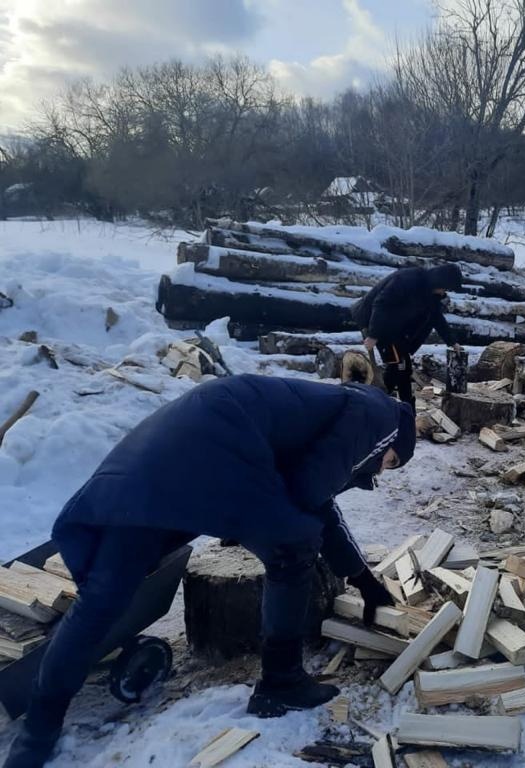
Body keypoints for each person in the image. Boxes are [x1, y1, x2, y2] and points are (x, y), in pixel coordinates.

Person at [4, 375, 414, 768]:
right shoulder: (378, 415)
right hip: (222, 439)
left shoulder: (329, 409)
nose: (379, 472)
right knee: (294, 546)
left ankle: (37, 734)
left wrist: (362, 578)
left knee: (101, 598)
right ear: (392, 442)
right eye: (389, 463)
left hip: (165, 449)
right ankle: (281, 682)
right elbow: (308, 495)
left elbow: (317, 500)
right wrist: (265, 526)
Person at [351, 264, 464, 405]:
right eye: (445, 288)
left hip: (395, 328)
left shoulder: (431, 294)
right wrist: (373, 335)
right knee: (397, 366)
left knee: (403, 367)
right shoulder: (407, 280)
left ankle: (407, 411)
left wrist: (452, 342)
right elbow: (381, 304)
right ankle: (376, 404)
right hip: (373, 320)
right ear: (440, 281)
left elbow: (437, 318)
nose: (443, 293)